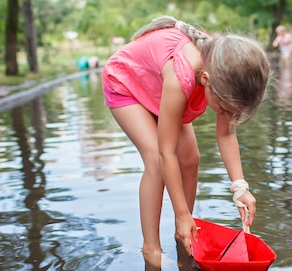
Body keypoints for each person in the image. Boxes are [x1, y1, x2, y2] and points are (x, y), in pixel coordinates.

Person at [102, 15, 270, 255]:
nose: (225, 115)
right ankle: (152, 249)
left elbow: (225, 135)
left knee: (191, 158)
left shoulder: (225, 69)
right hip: (125, 83)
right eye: (223, 110)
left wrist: (240, 187)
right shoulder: (183, 75)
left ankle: (184, 234)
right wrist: (180, 213)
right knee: (156, 162)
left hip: (156, 85)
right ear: (206, 81)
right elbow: (166, 152)